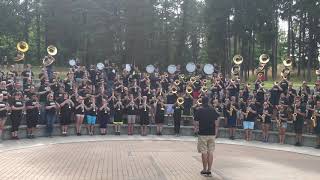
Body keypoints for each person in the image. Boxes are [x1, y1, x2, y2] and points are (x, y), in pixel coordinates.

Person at [194, 96, 219, 177]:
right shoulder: (212, 109)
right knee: (210, 152)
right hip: (211, 133)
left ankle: (204, 169)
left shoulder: (199, 110)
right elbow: (217, 119)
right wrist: (216, 130)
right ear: (208, 101)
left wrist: (196, 129)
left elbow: (196, 121)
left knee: (204, 152)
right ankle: (209, 170)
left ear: (202, 101)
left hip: (202, 133)